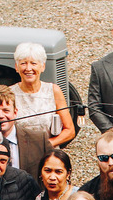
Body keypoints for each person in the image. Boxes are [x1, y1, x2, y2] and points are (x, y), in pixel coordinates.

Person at [11, 42, 76, 176]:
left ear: (42, 67)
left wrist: (46, 144)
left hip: (49, 157)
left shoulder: (53, 90)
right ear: (16, 67)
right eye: (23, 63)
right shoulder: (10, 93)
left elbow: (70, 130)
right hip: (20, 157)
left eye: (34, 63)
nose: (28, 68)